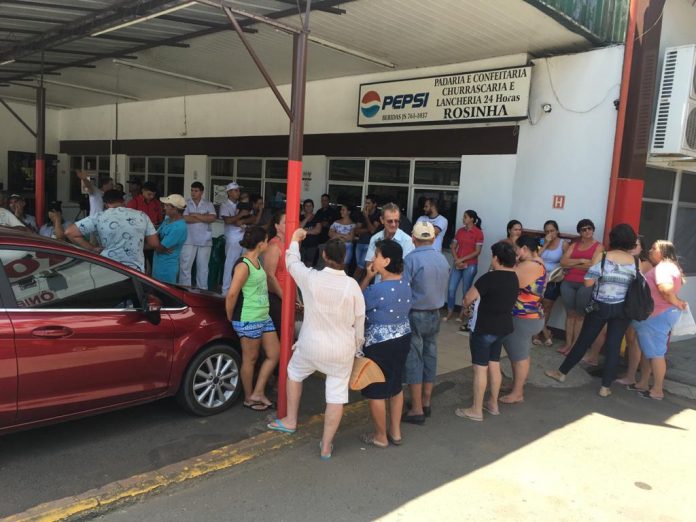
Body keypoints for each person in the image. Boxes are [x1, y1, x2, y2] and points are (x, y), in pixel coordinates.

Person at [268, 232, 365, 461]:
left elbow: (292, 261)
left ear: (324, 255)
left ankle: (290, 420)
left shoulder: (311, 278)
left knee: (294, 373)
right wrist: (357, 348)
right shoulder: (352, 286)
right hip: (341, 350)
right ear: (344, 257)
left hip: (310, 345)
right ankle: (326, 445)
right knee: (336, 395)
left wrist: (295, 239)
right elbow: (360, 321)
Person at [546, 224, 639, 397]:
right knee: (613, 346)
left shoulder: (603, 257)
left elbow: (588, 282)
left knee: (583, 341)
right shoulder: (635, 261)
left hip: (600, 306)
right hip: (622, 309)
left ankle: (562, 373)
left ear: (613, 239)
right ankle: (605, 387)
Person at [454, 242, 519, 422]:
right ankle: (493, 403)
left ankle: (476, 409)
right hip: (502, 327)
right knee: (494, 364)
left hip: (484, 328)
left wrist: (466, 307)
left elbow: (468, 298)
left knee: (480, 368)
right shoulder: (514, 277)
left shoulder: (489, 278)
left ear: (496, 258)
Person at [358, 240, 412, 448]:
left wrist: (367, 277)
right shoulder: (406, 284)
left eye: (377, 255)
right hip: (403, 338)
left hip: (379, 344)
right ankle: (395, 432)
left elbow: (356, 302)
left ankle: (380, 436)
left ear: (387, 261)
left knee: (376, 390)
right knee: (396, 385)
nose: (373, 258)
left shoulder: (377, 290)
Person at [226, 226, 279, 411]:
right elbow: (232, 294)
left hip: (263, 316)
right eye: (266, 240)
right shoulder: (244, 265)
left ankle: (258, 392)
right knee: (250, 359)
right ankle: (249, 398)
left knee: (274, 354)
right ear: (260, 244)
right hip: (249, 317)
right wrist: (230, 316)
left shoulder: (257, 261)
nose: (268, 243)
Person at [401, 221, 449, 424]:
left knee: (414, 359)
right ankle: (426, 401)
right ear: (433, 238)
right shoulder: (442, 258)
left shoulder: (410, 259)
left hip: (415, 314)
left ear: (413, 238)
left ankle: (416, 409)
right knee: (430, 355)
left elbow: (404, 289)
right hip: (435, 313)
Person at [631, 240, 687, 400]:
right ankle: (643, 383)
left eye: (653, 248)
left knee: (656, 353)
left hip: (656, 315)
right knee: (650, 351)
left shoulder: (663, 268)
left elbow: (665, 289)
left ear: (662, 252)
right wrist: (676, 301)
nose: (650, 250)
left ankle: (657, 390)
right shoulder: (669, 267)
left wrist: (676, 301)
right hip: (657, 315)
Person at [500, 236, 547, 404]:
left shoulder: (529, 266)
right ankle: (516, 385)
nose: (515, 252)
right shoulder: (537, 262)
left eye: (516, 249)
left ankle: (517, 392)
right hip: (530, 315)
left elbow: (505, 280)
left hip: (523, 316)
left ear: (525, 248)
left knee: (519, 356)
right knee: (519, 353)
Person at [65, 189, 160, 271]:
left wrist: (93, 248)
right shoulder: (142, 215)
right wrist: (136, 245)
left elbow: (70, 232)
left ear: (106, 204)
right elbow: (154, 243)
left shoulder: (99, 217)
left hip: (109, 268)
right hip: (135, 270)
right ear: (124, 201)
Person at [557, 219, 602, 355]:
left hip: (585, 283)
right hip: (568, 282)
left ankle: (574, 346)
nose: (587, 231)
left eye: (589, 228)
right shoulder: (574, 245)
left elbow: (592, 265)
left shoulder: (599, 246)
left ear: (593, 229)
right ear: (580, 232)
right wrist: (581, 261)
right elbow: (563, 262)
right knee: (570, 314)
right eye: (584, 229)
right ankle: (568, 344)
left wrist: (572, 264)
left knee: (580, 315)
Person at [616, 236, 653, 386]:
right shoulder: (630, 260)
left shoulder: (644, 263)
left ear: (642, 248)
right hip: (626, 304)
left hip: (637, 307)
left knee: (634, 341)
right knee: (630, 340)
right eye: (631, 244)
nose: (632, 247)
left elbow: (633, 276)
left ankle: (631, 376)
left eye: (636, 245)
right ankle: (630, 373)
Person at [533, 220, 568, 346]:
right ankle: (541, 333)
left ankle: (539, 332)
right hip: (538, 277)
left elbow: (566, 262)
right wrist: (546, 243)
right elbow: (535, 257)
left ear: (557, 231)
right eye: (547, 231)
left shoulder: (563, 244)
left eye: (552, 231)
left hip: (553, 279)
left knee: (547, 306)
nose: (550, 233)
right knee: (536, 305)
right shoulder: (541, 242)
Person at [446, 209, 484, 322]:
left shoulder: (478, 232)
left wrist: (461, 259)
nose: (463, 219)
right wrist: (457, 259)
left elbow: (477, 251)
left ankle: (462, 314)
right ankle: (449, 311)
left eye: (465, 217)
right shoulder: (460, 231)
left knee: (466, 290)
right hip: (458, 263)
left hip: (470, 265)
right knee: (451, 288)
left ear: (472, 219)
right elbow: (453, 246)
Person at [180, 182, 217, 289]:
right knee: (185, 267)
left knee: (203, 268)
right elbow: (185, 218)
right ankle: (185, 290)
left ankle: (202, 291)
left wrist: (195, 215)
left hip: (204, 240)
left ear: (201, 192)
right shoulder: (186, 203)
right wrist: (204, 217)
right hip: (188, 239)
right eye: (192, 190)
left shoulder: (208, 204)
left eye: (196, 191)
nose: (193, 193)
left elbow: (212, 218)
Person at [365, 203, 415, 281]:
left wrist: (379, 264)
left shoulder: (407, 241)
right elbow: (369, 266)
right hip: (379, 284)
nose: (393, 224)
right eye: (390, 221)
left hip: (397, 285)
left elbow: (405, 269)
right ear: (382, 220)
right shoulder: (375, 238)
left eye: (396, 221)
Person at [152, 194, 188, 284]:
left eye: (167, 205)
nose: (164, 208)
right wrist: (156, 243)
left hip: (167, 267)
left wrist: (155, 243)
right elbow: (155, 236)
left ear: (175, 209)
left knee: (164, 290)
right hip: (158, 264)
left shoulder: (179, 227)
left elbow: (160, 248)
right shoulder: (167, 220)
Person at [219, 182, 247, 295]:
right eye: (235, 190)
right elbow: (228, 220)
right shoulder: (224, 205)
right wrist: (240, 215)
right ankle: (225, 291)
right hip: (232, 238)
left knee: (243, 264)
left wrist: (240, 220)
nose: (238, 193)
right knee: (230, 264)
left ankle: (239, 290)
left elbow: (251, 219)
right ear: (229, 192)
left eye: (238, 190)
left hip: (243, 237)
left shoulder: (242, 204)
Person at [264, 210, 289, 333]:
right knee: (280, 332)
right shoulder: (274, 246)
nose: (289, 225)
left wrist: (295, 297)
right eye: (285, 222)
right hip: (276, 297)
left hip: (286, 295)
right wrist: (284, 297)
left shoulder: (289, 244)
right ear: (277, 226)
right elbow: (270, 276)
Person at [353, 195, 381, 281]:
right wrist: (367, 229)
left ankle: (353, 284)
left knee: (360, 268)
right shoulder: (362, 213)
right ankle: (361, 286)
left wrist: (366, 217)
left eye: (368, 203)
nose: (366, 205)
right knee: (361, 268)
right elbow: (356, 231)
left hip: (370, 245)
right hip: (360, 243)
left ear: (374, 204)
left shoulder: (378, 214)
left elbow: (372, 231)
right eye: (366, 203)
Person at [299, 199, 321, 266]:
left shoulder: (317, 217)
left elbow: (317, 230)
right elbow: (299, 228)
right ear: (304, 207)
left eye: (310, 206)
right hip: (301, 244)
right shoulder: (300, 217)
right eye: (306, 206)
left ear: (313, 207)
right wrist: (307, 218)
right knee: (300, 263)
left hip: (313, 245)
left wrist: (304, 231)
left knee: (309, 264)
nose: (308, 207)